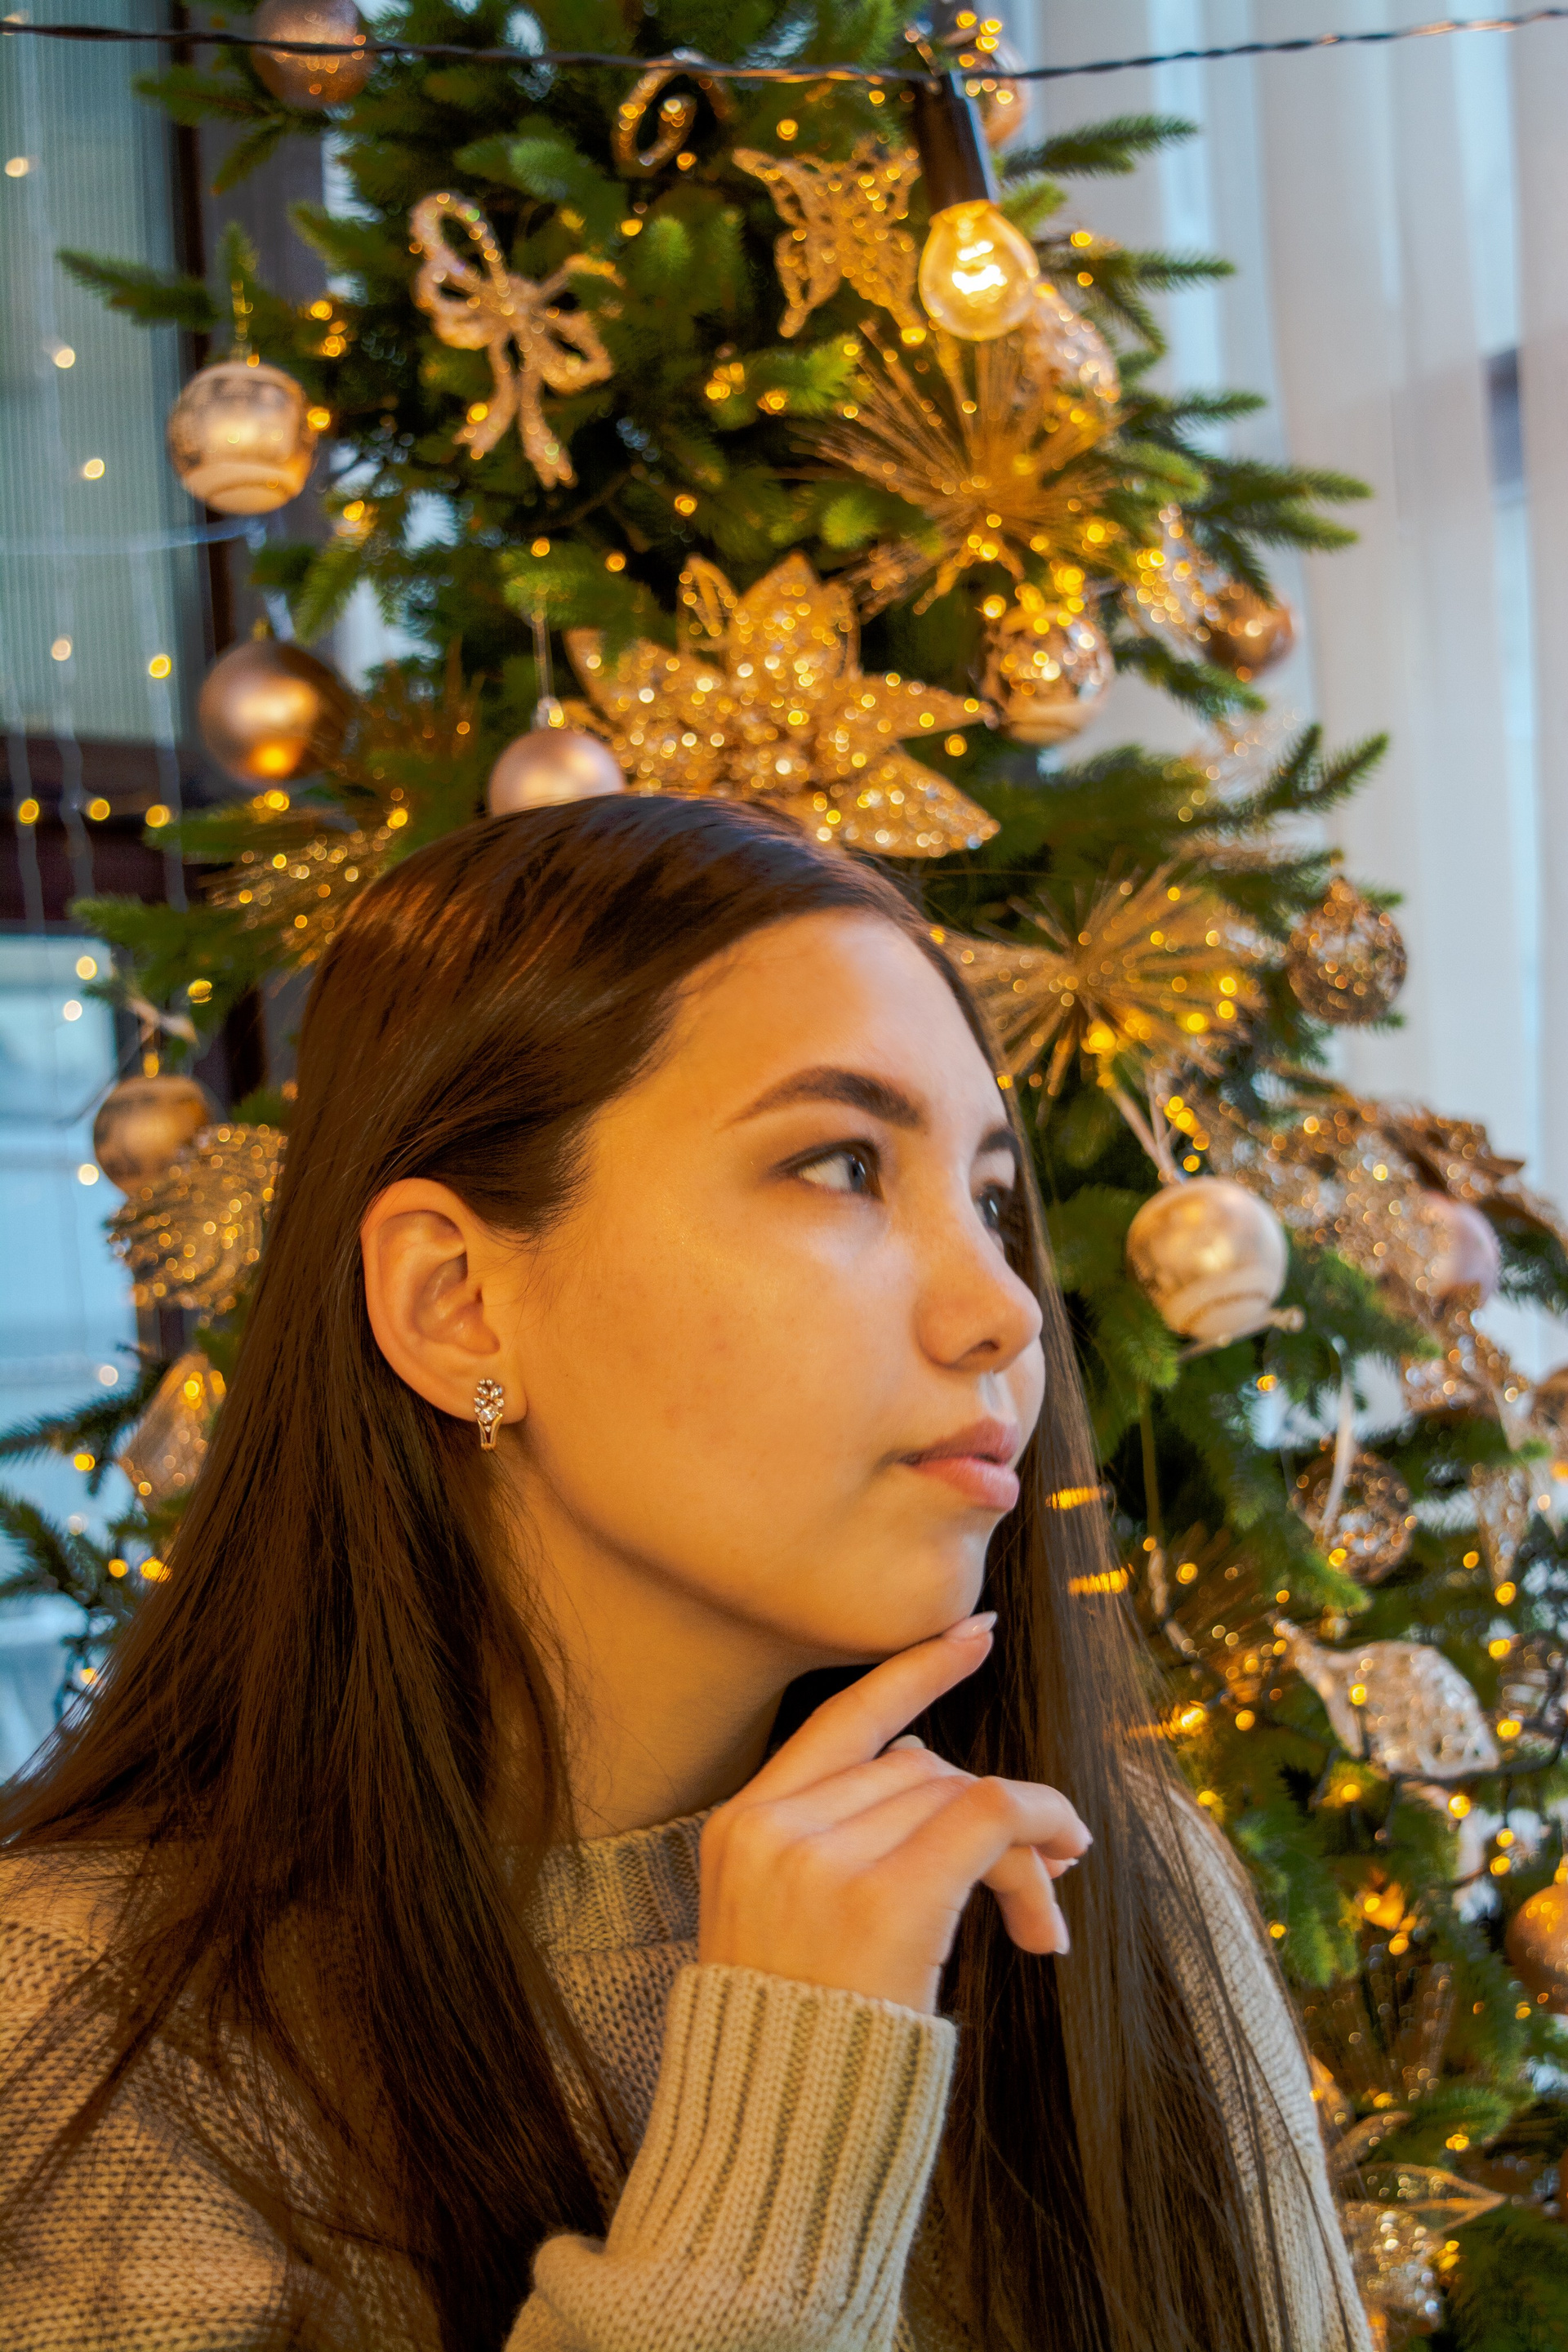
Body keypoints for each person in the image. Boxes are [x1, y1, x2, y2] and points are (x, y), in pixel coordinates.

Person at [0, 795, 1368, 2352]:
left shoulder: (1118, 1886)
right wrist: (787, 2122)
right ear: (458, 1305)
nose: (1004, 1309)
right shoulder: (87, 2024)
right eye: (841, 1165)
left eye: (991, 1201)